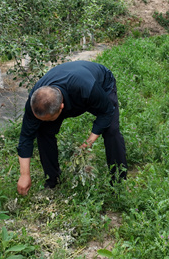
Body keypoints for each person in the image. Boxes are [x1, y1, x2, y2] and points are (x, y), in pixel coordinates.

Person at [16, 60, 127, 195]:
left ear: (61, 108)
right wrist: (24, 174)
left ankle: (118, 182)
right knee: (43, 131)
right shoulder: (36, 101)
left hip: (100, 84)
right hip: (70, 88)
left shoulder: (86, 87)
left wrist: (87, 144)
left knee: (111, 130)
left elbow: (107, 112)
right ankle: (53, 180)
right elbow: (26, 137)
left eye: (49, 118)